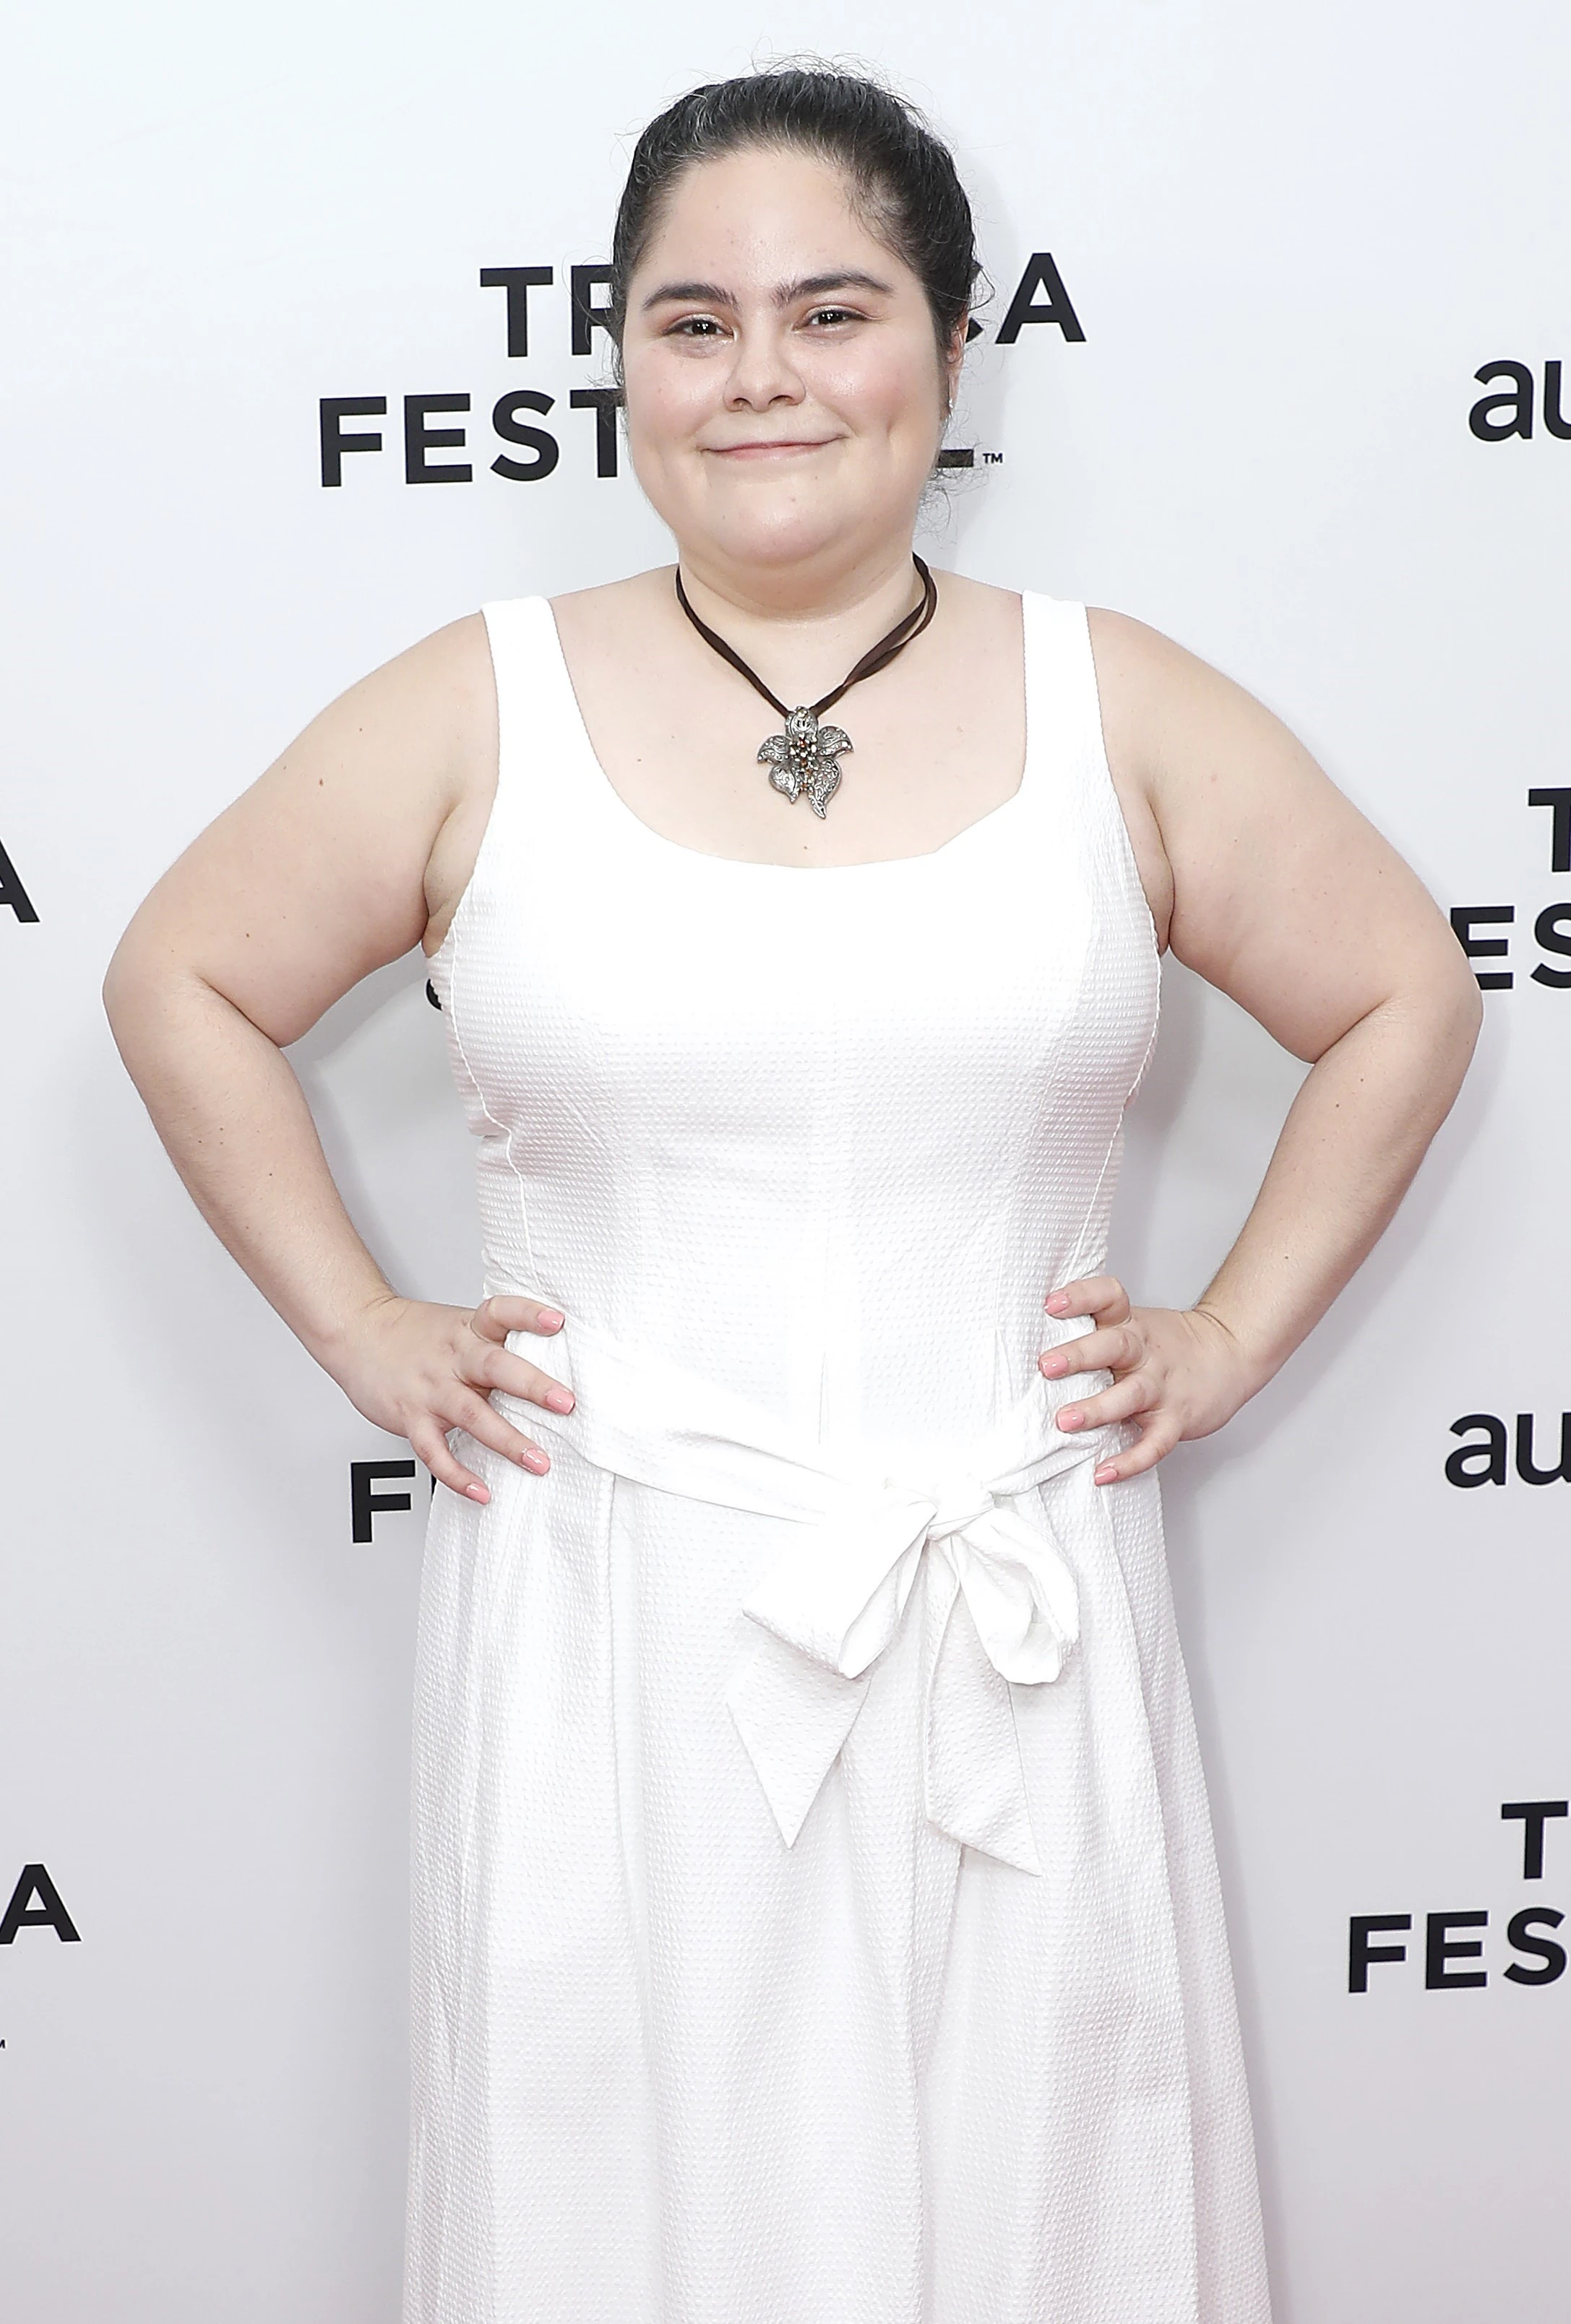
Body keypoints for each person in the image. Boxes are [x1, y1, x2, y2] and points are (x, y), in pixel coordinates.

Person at [103, 63, 1480, 2324]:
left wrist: (1228, 1332)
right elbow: (180, 977)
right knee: (622, 2199)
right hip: (610, 1622)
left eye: (831, 312)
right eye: (693, 321)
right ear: (619, 359)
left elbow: (1401, 995)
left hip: (1010, 1603)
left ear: (947, 342)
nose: (762, 377)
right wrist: (362, 1322)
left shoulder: (1111, 701)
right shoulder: (480, 704)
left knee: (1043, 2185)